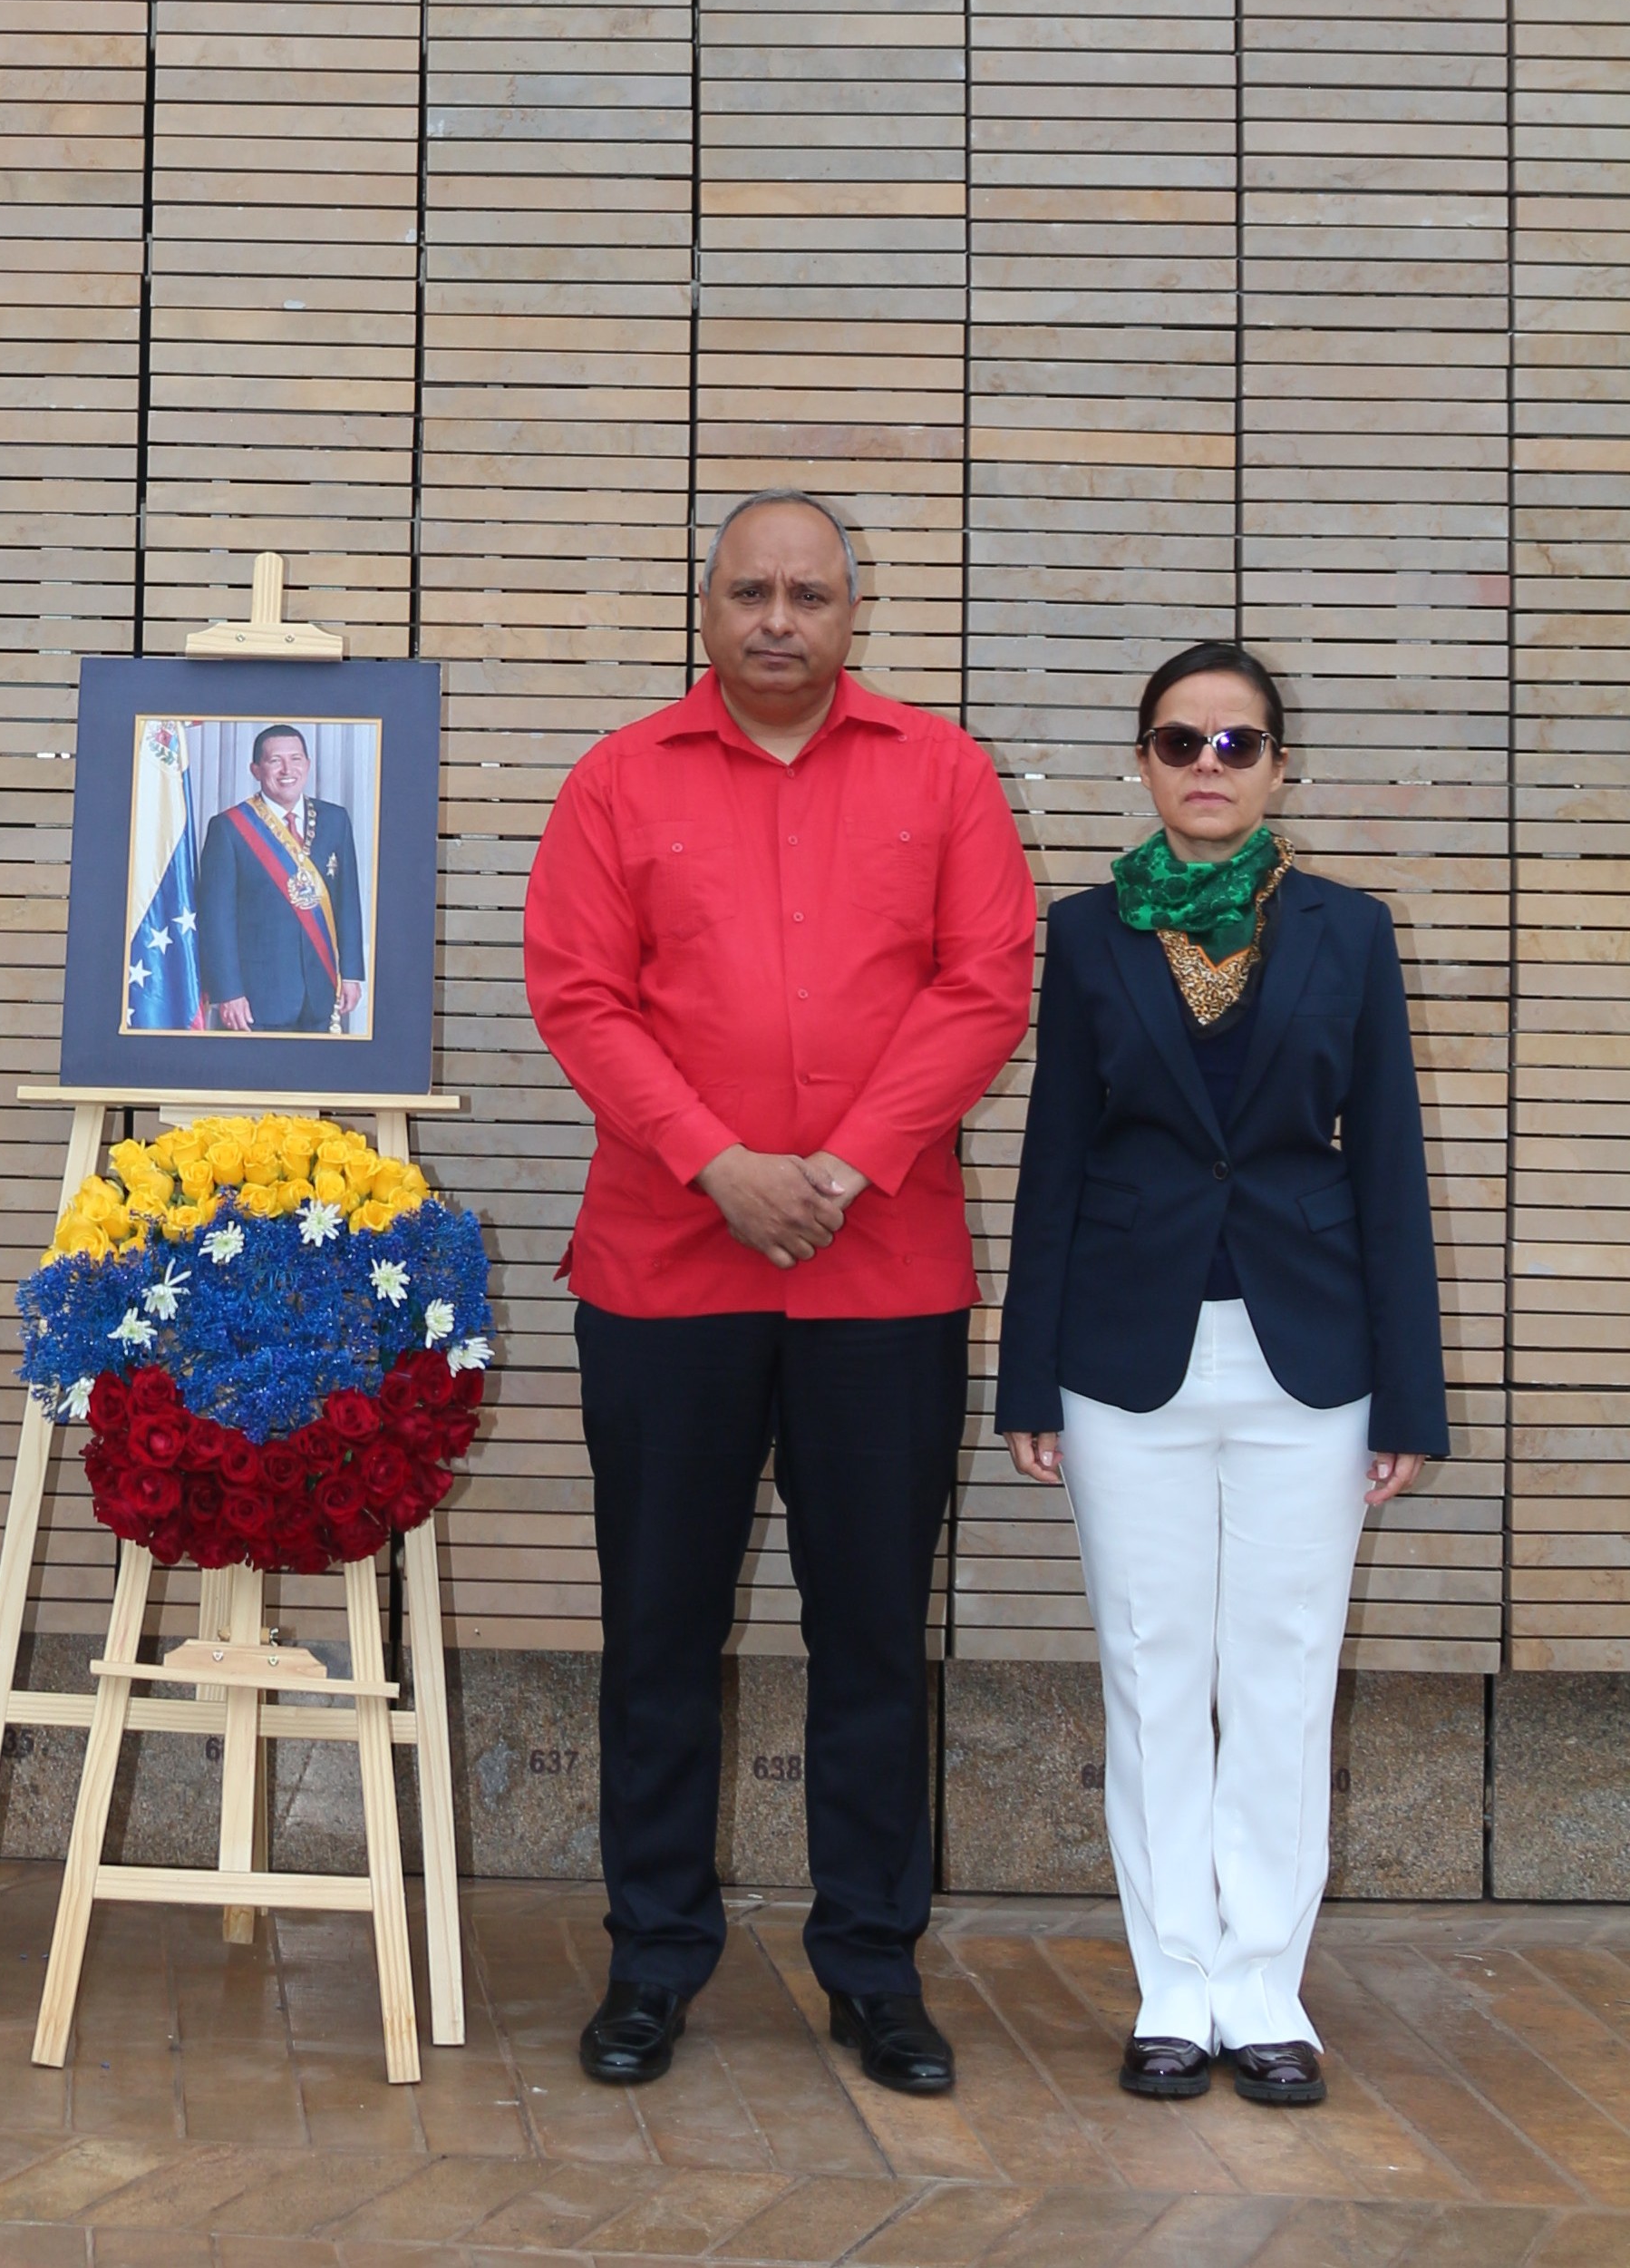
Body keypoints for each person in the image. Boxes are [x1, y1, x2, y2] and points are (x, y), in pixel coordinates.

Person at [522, 489, 1036, 2093]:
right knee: (657, 1628)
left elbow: (986, 982)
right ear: (705, 607)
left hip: (882, 1271)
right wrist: (716, 1161)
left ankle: (872, 1965)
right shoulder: (617, 779)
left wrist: (848, 1162)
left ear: (851, 616)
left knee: (872, 1631)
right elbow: (578, 994)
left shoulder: (943, 774)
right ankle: (655, 1955)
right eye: (748, 590)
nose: (776, 620)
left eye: (808, 594)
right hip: (667, 1268)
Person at [1000, 643, 1443, 2109]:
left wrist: (1409, 1396)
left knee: (1280, 1675)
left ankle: (1265, 1991)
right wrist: (1025, 1382)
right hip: (1127, 1357)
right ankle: (1170, 1989)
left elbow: (1387, 1164)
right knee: (1151, 1670)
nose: (1207, 764)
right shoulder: (1085, 934)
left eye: (1236, 743)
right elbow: (1051, 1158)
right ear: (1140, 760)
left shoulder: (1349, 933)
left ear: (1275, 767)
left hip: (1310, 1356)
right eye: (1179, 740)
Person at [194, 723, 365, 1032]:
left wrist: (351, 972)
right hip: (256, 998)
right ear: (256, 769)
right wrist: (228, 993)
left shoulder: (335, 820)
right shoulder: (229, 828)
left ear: (308, 765)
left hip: (321, 989)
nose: (288, 769)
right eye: (275, 761)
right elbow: (216, 919)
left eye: (296, 759)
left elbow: (348, 901)